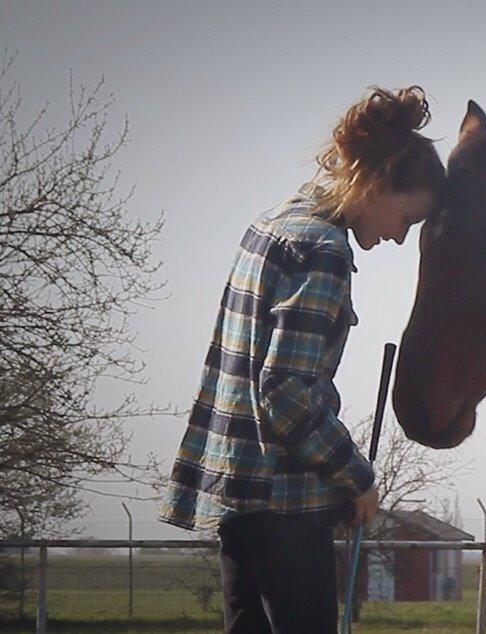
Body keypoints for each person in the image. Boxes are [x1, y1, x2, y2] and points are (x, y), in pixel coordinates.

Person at [159, 86, 444, 633]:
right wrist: (357, 476)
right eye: (406, 219)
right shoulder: (324, 253)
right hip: (286, 503)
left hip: (238, 495)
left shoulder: (273, 225)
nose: (399, 237)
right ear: (377, 184)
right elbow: (284, 392)